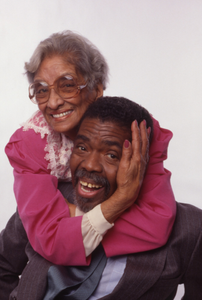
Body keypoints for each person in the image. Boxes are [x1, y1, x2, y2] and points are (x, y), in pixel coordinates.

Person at [1, 97, 201, 300]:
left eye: (112, 155)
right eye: (82, 148)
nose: (90, 165)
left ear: (141, 161)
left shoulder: (189, 228)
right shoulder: (49, 201)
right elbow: (3, 265)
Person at [5, 30, 176, 266]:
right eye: (42, 89)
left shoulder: (136, 130)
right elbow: (51, 240)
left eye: (67, 85)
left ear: (96, 89)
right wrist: (123, 199)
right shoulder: (30, 144)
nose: (53, 102)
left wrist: (73, 216)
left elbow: (157, 222)